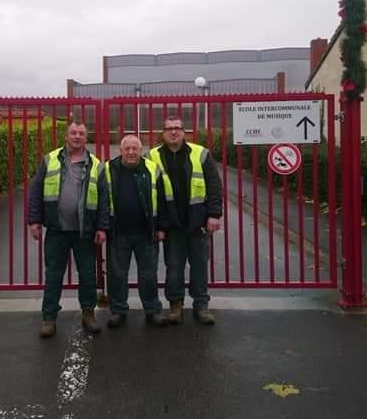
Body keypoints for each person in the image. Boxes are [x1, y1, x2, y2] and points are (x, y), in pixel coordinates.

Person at [28, 121, 110, 338]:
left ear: (86, 137)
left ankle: (88, 313)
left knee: (88, 274)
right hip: (57, 229)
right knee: (54, 274)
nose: (77, 136)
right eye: (73, 133)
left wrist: (102, 227)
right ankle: (49, 317)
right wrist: (34, 221)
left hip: (85, 232)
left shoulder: (96, 165)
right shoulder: (50, 160)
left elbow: (104, 199)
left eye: (81, 133)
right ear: (66, 136)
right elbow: (35, 191)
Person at [149, 116, 223, 325]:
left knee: (199, 265)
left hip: (198, 222)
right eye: (169, 129)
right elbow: (150, 193)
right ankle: (175, 306)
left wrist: (214, 215)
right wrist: (158, 225)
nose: (174, 132)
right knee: (173, 267)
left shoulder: (200, 153)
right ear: (163, 133)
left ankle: (201, 306)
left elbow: (214, 186)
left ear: (184, 131)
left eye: (177, 128)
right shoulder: (153, 155)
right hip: (171, 225)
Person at [104, 135, 174, 328]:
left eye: (135, 148)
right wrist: (102, 227)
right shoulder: (108, 169)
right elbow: (101, 200)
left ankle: (152, 310)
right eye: (127, 149)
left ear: (141, 150)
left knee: (149, 274)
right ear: (121, 150)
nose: (131, 152)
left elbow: (162, 199)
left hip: (147, 233)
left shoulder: (152, 169)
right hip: (118, 233)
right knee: (117, 274)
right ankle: (118, 310)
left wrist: (161, 227)